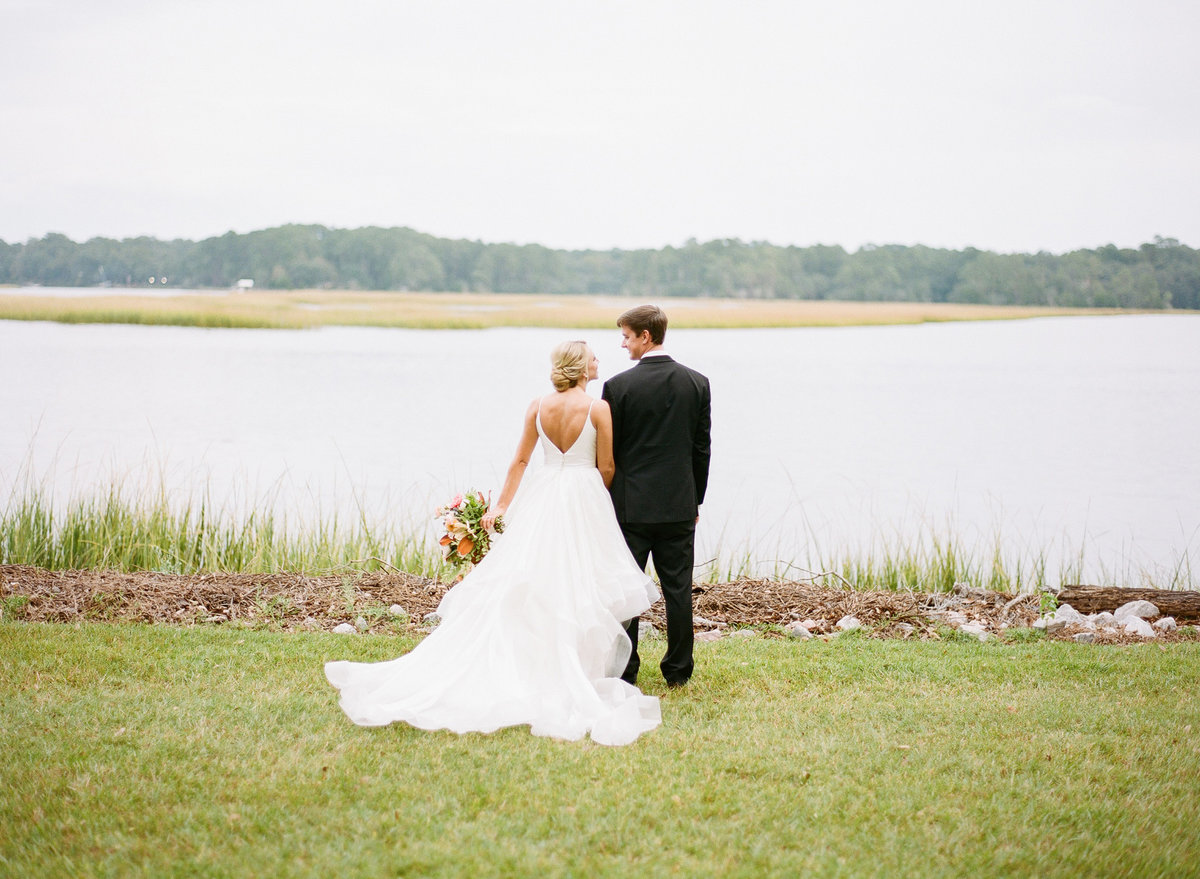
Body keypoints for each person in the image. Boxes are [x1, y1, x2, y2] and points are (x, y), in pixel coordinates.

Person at [324, 341, 662, 746]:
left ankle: (543, 660)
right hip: (583, 494)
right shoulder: (598, 409)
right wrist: (592, 491)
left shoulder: (538, 406)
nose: (598, 361)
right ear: (581, 367)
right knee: (577, 583)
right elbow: (606, 466)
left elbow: (519, 461)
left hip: (543, 494)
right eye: (592, 356)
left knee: (533, 580)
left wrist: (501, 506)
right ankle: (571, 666)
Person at [601, 305, 711, 689]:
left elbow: (609, 453)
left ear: (646, 336)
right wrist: (695, 501)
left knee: (627, 591)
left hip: (630, 509)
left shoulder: (617, 388)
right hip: (679, 506)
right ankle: (678, 672)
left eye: (627, 336)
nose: (623, 343)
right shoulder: (697, 383)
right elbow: (701, 450)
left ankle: (626, 671)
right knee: (678, 590)